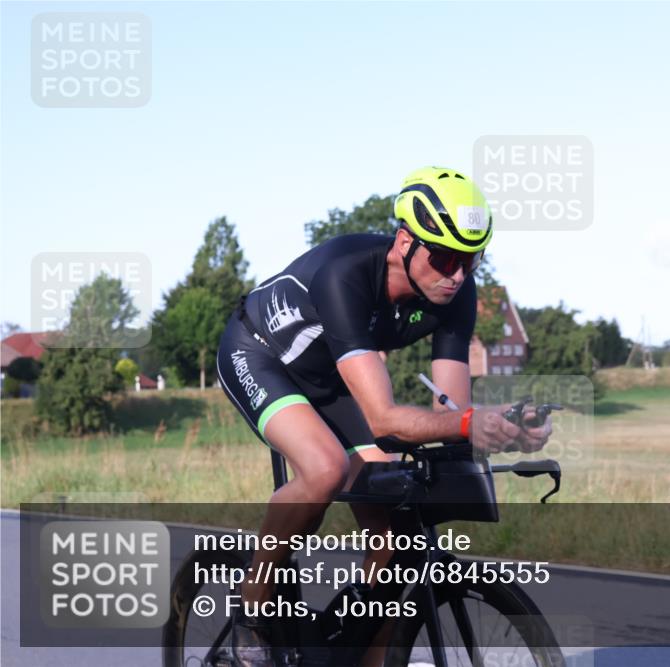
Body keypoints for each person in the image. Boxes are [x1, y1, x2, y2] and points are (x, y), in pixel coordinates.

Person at [215, 166, 553, 666]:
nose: (457, 275)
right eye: (445, 258)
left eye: (471, 259)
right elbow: (384, 419)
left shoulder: (458, 293)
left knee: (397, 537)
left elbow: (453, 410)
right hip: (260, 355)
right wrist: (469, 423)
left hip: (331, 376)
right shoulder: (347, 273)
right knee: (325, 469)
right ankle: (254, 605)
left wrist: (505, 429)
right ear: (405, 242)